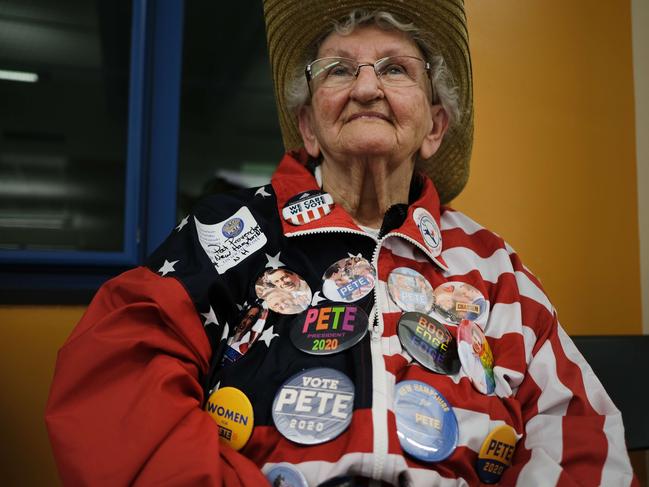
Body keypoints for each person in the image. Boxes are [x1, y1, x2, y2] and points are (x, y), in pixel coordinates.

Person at [45, 1, 637, 486]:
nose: (366, 87)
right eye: (338, 69)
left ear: (433, 127)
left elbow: (581, 439)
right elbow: (117, 382)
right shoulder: (229, 234)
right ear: (308, 126)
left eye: (395, 68)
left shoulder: (492, 265)